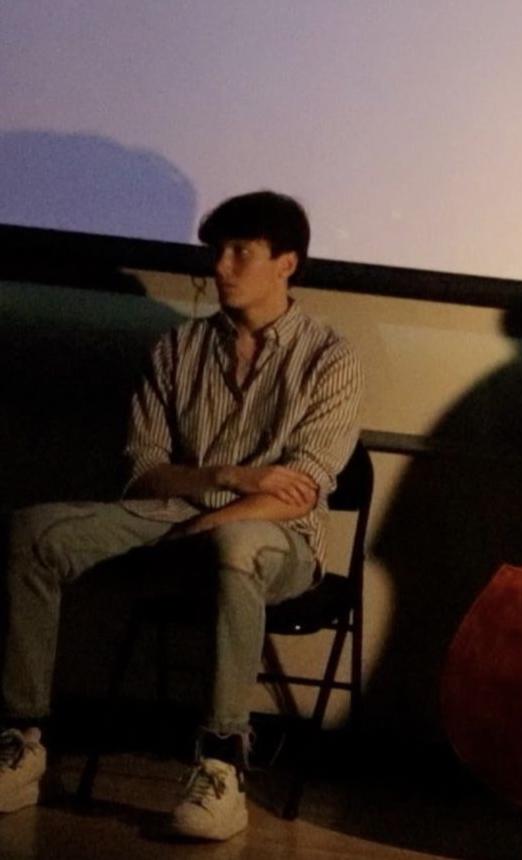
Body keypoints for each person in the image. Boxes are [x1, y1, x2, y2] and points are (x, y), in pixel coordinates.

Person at [0, 191, 362, 841]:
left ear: (286, 263)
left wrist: (212, 521)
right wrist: (224, 477)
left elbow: (299, 491)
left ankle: (222, 764)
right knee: (33, 531)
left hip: (276, 539)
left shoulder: (329, 356)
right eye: (215, 252)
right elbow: (144, 470)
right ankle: (21, 739)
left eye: (239, 252)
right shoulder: (178, 348)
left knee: (238, 546)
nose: (221, 266)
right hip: (170, 514)